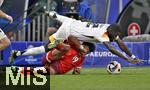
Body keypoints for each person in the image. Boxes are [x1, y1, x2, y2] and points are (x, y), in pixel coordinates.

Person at [10, 11, 142, 65]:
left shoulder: (109, 28)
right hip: (67, 31)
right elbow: (113, 49)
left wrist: (134, 57)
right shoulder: (101, 34)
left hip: (73, 23)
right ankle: (18, 53)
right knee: (47, 48)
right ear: (111, 32)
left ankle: (48, 12)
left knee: (58, 16)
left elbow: (121, 43)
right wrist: (127, 59)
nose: (116, 37)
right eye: (115, 36)